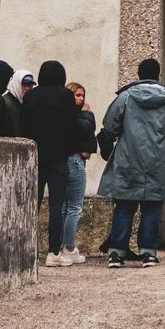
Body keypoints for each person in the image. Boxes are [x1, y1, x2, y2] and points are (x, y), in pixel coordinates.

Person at [98, 59, 165, 267]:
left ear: (139, 74)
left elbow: (110, 125)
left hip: (128, 157)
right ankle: (148, 252)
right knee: (152, 206)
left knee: (124, 205)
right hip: (159, 159)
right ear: (158, 74)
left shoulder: (126, 97)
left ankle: (116, 253)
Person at [17, 60, 85, 267]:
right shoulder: (64, 95)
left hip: (36, 157)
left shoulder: (31, 96)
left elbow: (24, 125)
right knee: (56, 206)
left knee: (32, 204)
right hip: (58, 157)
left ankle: (27, 250)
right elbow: (72, 126)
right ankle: (53, 251)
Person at [61, 81, 98, 262]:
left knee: (67, 206)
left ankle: (63, 246)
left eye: (83, 95)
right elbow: (86, 131)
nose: (82, 99)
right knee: (74, 206)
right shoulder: (77, 115)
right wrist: (87, 113)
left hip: (70, 160)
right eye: (78, 95)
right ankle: (68, 247)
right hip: (74, 161)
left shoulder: (67, 114)